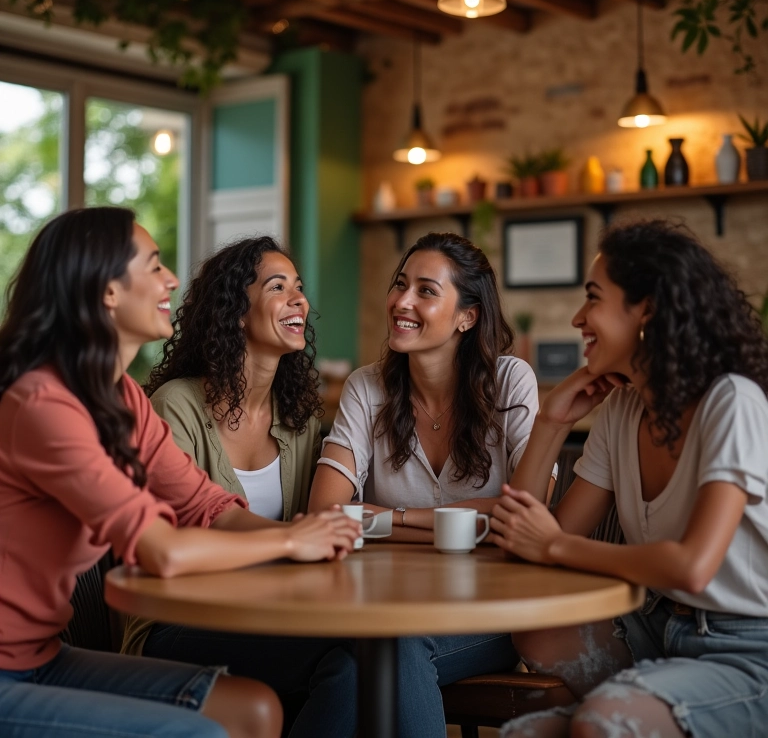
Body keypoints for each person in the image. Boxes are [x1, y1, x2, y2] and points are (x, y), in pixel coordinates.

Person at [0, 207, 359, 738]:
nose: (170, 279)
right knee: (202, 732)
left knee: (254, 709)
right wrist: (288, 543)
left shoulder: (120, 397)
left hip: (44, 654)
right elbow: (162, 550)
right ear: (107, 292)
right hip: (8, 672)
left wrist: (306, 535)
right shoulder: (43, 403)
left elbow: (205, 507)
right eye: (153, 266)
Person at [490, 219, 768, 738]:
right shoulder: (621, 408)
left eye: (593, 298)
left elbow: (691, 567)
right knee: (536, 643)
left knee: (597, 724)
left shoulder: (731, 401)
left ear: (648, 310)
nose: (578, 318)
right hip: (663, 627)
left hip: (752, 650)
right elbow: (521, 544)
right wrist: (552, 421)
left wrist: (554, 548)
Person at [308, 231, 545, 738]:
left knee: (387, 646)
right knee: (352, 667)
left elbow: (522, 513)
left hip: (492, 609)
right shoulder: (366, 387)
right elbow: (323, 515)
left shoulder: (511, 381)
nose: (402, 301)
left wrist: (387, 519)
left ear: (468, 316)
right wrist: (470, 524)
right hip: (384, 603)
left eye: (426, 290)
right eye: (400, 284)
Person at [122, 236, 357, 738]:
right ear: (234, 311)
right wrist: (293, 541)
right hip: (182, 621)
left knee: (362, 663)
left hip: (279, 615)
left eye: (300, 288)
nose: (300, 301)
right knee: (356, 659)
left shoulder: (300, 420)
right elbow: (177, 541)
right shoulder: (177, 407)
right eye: (279, 287)